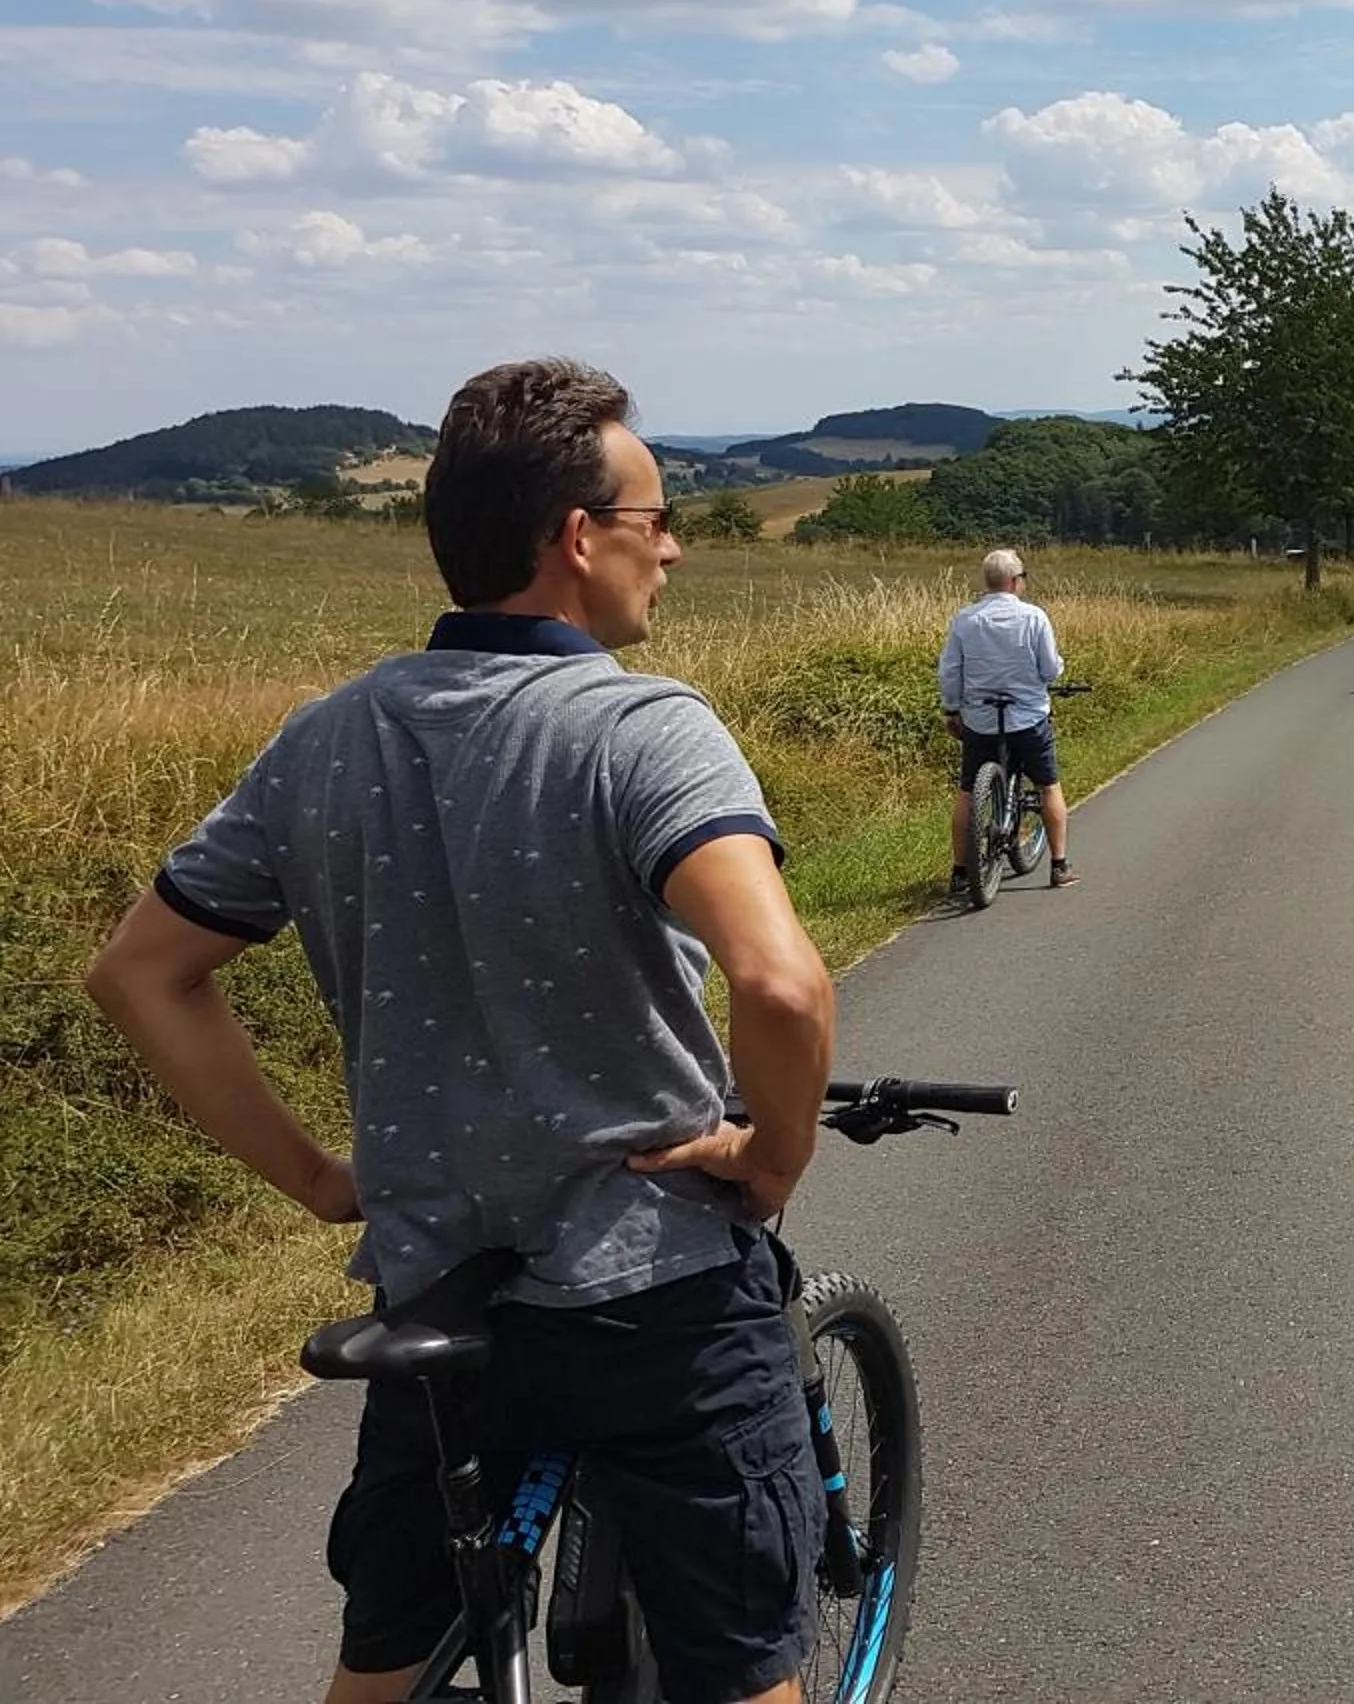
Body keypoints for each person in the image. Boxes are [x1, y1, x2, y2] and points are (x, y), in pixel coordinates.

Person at [83, 358, 836, 1704]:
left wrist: (320, 1178)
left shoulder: (325, 737)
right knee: (738, 1667)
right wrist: (770, 1154)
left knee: (388, 1660)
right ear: (577, 536)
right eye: (656, 518)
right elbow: (780, 985)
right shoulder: (643, 727)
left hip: (437, 1285)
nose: (672, 547)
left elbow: (141, 972)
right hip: (651, 1287)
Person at [939, 546, 1074, 893]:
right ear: (1015, 581)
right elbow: (1049, 669)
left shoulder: (965, 619)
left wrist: (952, 709)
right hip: (1027, 717)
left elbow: (950, 671)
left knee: (968, 790)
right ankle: (1059, 865)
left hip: (981, 719)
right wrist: (1056, 670)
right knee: (1048, 785)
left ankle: (960, 871)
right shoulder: (1034, 617)